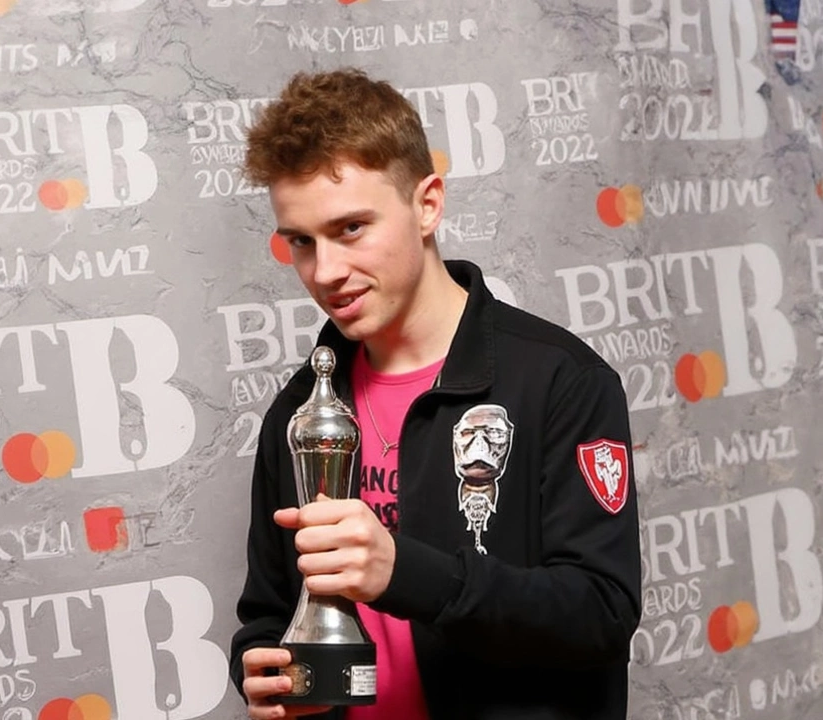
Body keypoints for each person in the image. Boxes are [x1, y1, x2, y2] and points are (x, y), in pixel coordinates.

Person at [229, 68, 643, 720]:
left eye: (351, 229)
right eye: (302, 243)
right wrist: (265, 670)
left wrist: (405, 573)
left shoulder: (559, 380)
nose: (326, 272)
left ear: (427, 204)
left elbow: (601, 612)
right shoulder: (302, 409)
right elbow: (268, 612)